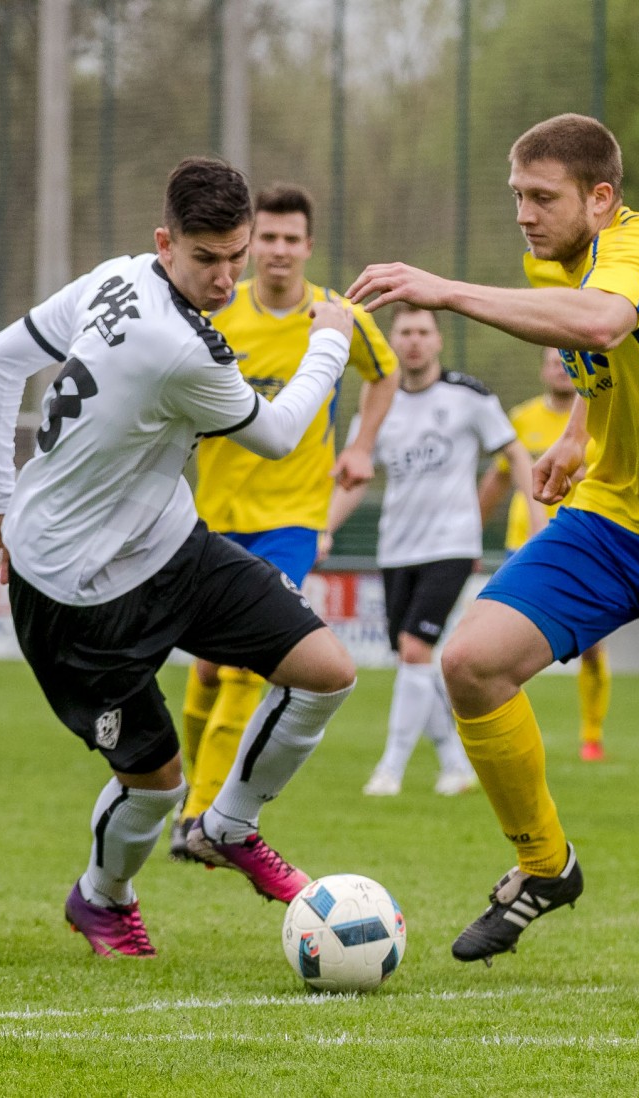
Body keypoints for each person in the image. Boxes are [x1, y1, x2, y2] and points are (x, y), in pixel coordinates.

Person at [348, 113, 639, 986]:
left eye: (542, 197)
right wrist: (580, 437)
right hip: (614, 520)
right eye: (517, 195)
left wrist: (446, 290)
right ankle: (546, 866)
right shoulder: (558, 259)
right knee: (471, 662)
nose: (524, 214)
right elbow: (611, 358)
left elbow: (603, 323)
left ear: (601, 198)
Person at [0, 157, 359, 958]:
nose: (224, 277)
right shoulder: (174, 347)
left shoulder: (117, 275)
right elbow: (281, 434)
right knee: (156, 786)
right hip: (75, 595)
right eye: (205, 259)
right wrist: (331, 345)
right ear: (165, 243)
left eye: (235, 258)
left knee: (326, 670)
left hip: (168, 545)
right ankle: (102, 897)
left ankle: (230, 826)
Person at [171, 184, 398, 857]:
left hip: (293, 520)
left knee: (248, 666)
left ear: (307, 245)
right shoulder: (218, 310)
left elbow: (381, 376)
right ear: (250, 244)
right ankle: (192, 789)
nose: (277, 250)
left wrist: (360, 446)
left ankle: (201, 817)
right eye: (265, 238)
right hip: (213, 515)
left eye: (289, 239)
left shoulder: (335, 315)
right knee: (208, 670)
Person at [324, 305, 543, 797]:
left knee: (416, 650)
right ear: (393, 341)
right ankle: (455, 762)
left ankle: (391, 768)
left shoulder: (467, 396)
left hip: (451, 543)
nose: (415, 341)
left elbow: (513, 452)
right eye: (405, 332)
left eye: (424, 331)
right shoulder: (378, 406)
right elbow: (358, 476)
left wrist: (535, 513)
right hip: (396, 546)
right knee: (416, 662)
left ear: (438, 341)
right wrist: (325, 528)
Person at [478, 346, 612, 762]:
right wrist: (471, 533)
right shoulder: (521, 418)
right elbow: (498, 481)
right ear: (542, 370)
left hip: (585, 542)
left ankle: (591, 734)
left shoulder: (602, 416)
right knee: (507, 646)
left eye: (565, 360)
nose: (559, 367)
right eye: (552, 361)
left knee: (591, 648)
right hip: (527, 543)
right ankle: (506, 734)